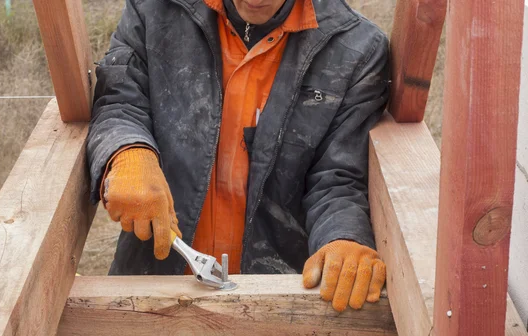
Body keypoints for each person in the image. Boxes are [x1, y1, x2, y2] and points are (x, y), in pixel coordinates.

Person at [87, 0, 390, 312]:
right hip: (153, 286)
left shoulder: (357, 48)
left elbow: (339, 176)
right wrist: (128, 152)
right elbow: (120, 99)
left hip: (278, 303)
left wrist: (344, 237)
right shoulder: (154, 9)